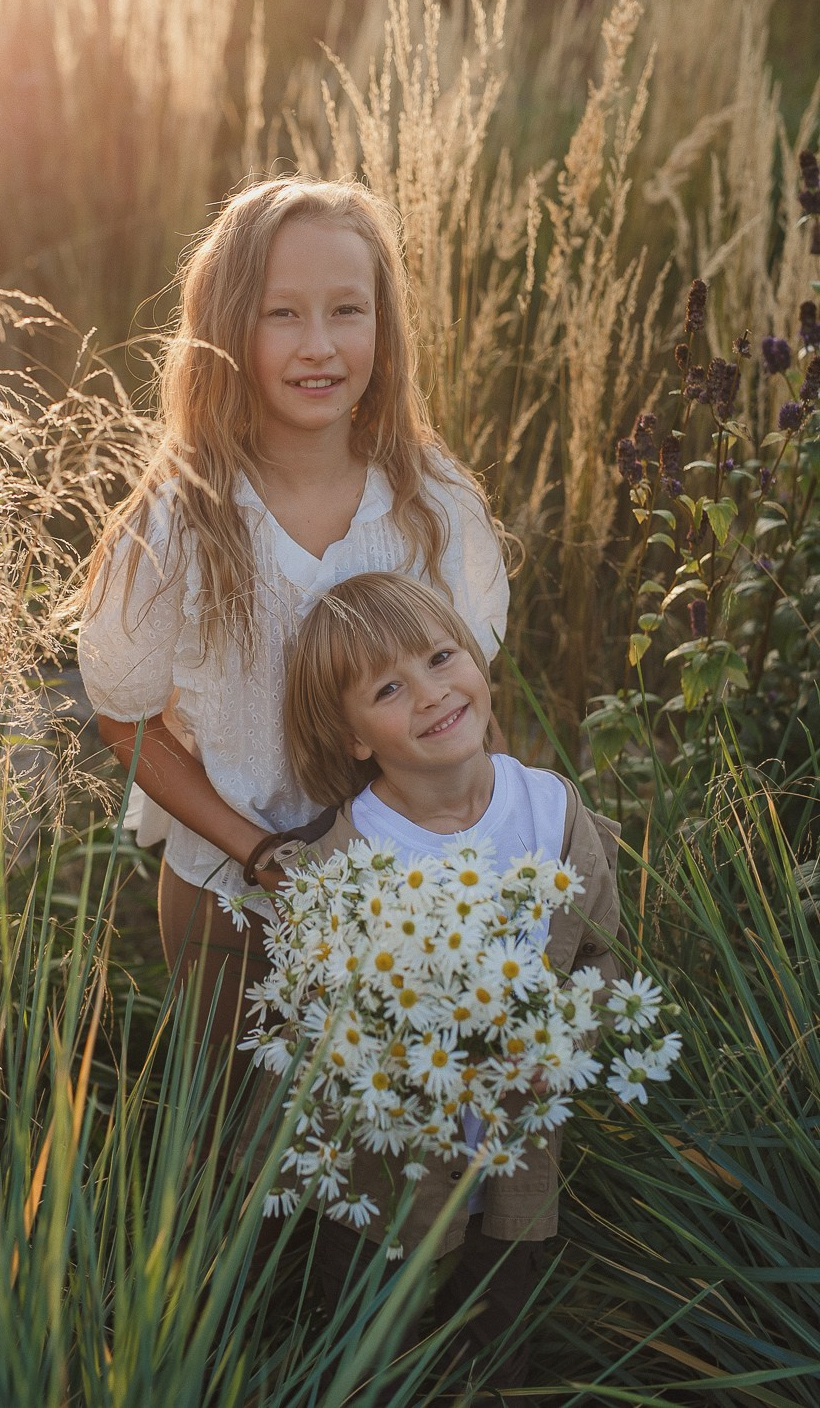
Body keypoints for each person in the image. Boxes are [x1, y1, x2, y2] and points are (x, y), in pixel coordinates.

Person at [76, 177, 509, 1052]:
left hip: (413, 891)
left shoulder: (431, 501)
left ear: (382, 327)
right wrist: (256, 852)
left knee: (399, 1147)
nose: (320, 347)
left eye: (347, 309)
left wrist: (483, 853)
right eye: (282, 314)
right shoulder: (179, 518)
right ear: (229, 328)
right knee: (247, 1152)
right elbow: (124, 719)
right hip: (231, 903)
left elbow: (463, 695)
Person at [238, 571, 624, 1394]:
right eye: (388, 688)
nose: (431, 693)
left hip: (518, 1145)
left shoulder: (551, 813)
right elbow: (311, 1027)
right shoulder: (342, 864)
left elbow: (598, 958)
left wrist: (561, 1044)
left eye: (442, 656)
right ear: (353, 739)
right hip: (391, 1169)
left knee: (499, 1328)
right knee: (361, 1327)